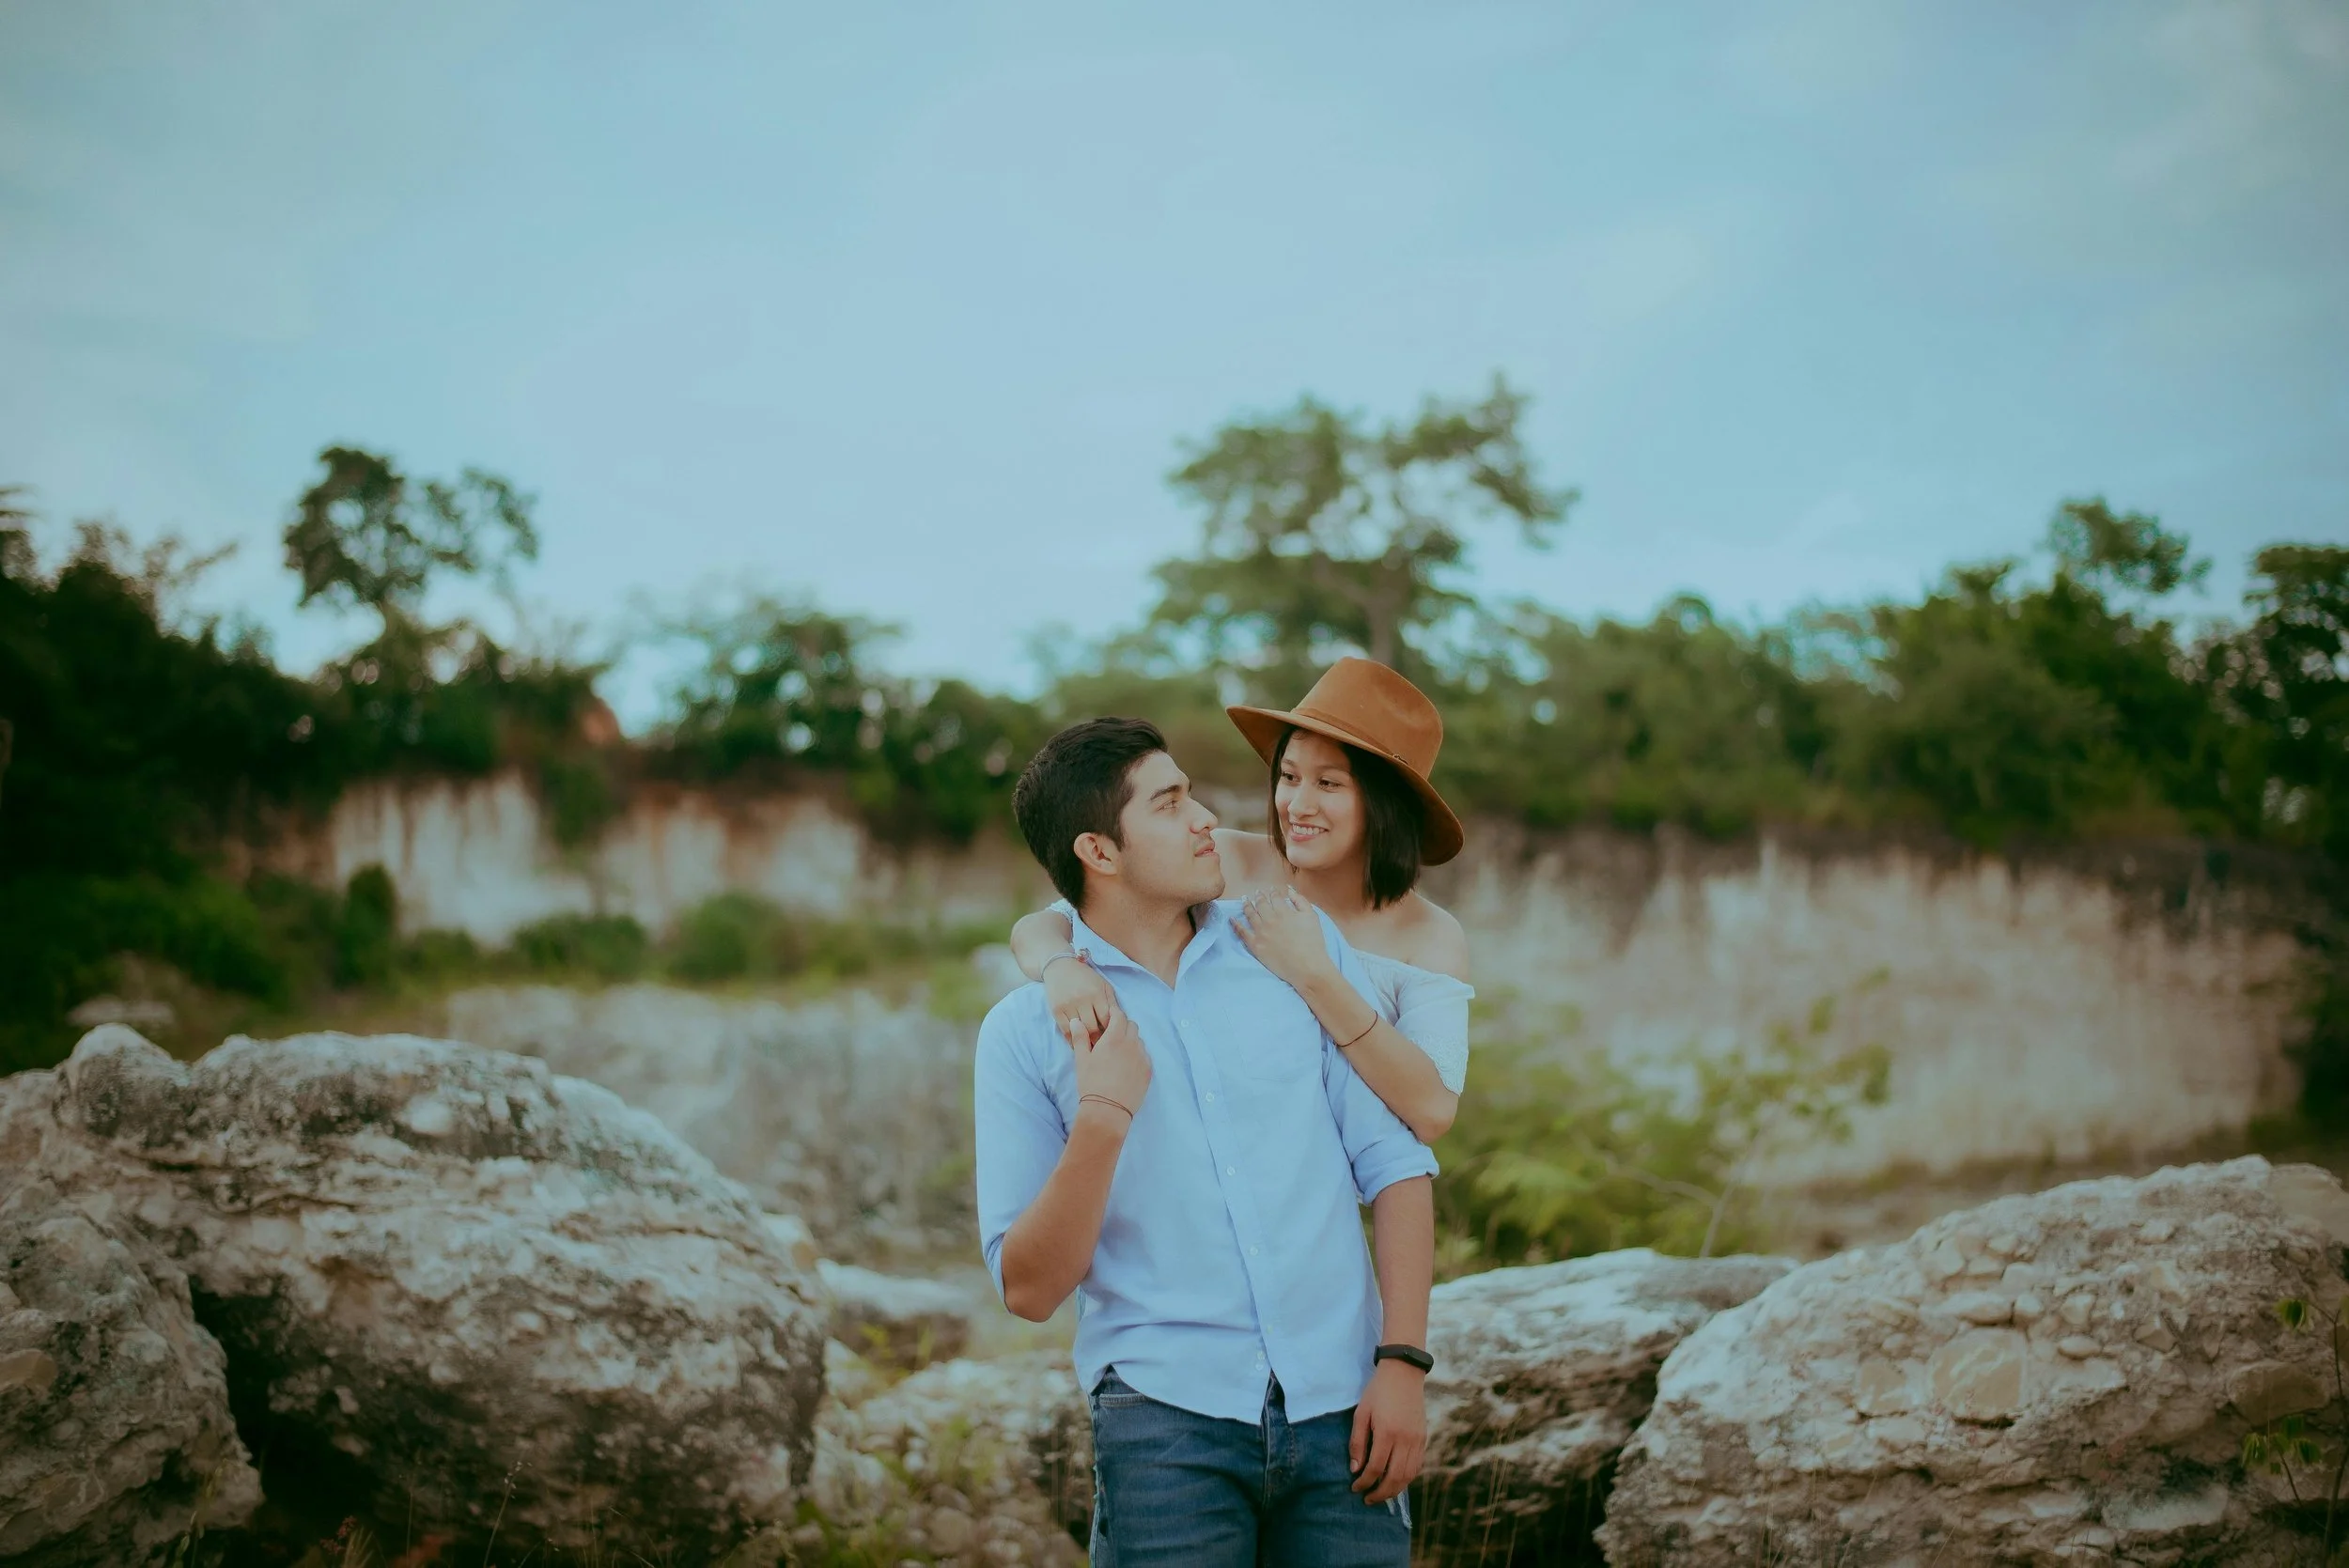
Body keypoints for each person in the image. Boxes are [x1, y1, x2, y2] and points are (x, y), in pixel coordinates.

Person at [974, 716, 1439, 1566]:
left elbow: (1398, 1161)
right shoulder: (1024, 1033)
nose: (1205, 818)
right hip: (1164, 1429)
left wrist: (1403, 1363)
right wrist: (1104, 1117)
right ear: (1099, 851)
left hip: (1347, 1414)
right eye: (1171, 802)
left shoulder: (1292, 949)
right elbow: (1030, 1289)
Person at [1010, 658, 1473, 1142]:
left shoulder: (1430, 935)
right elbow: (1049, 923)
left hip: (1336, 1189)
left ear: (1386, 805)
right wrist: (1059, 966)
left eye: (1329, 783)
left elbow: (1433, 1111)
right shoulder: (1229, 862)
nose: (1297, 805)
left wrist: (1315, 974)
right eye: (1290, 777)